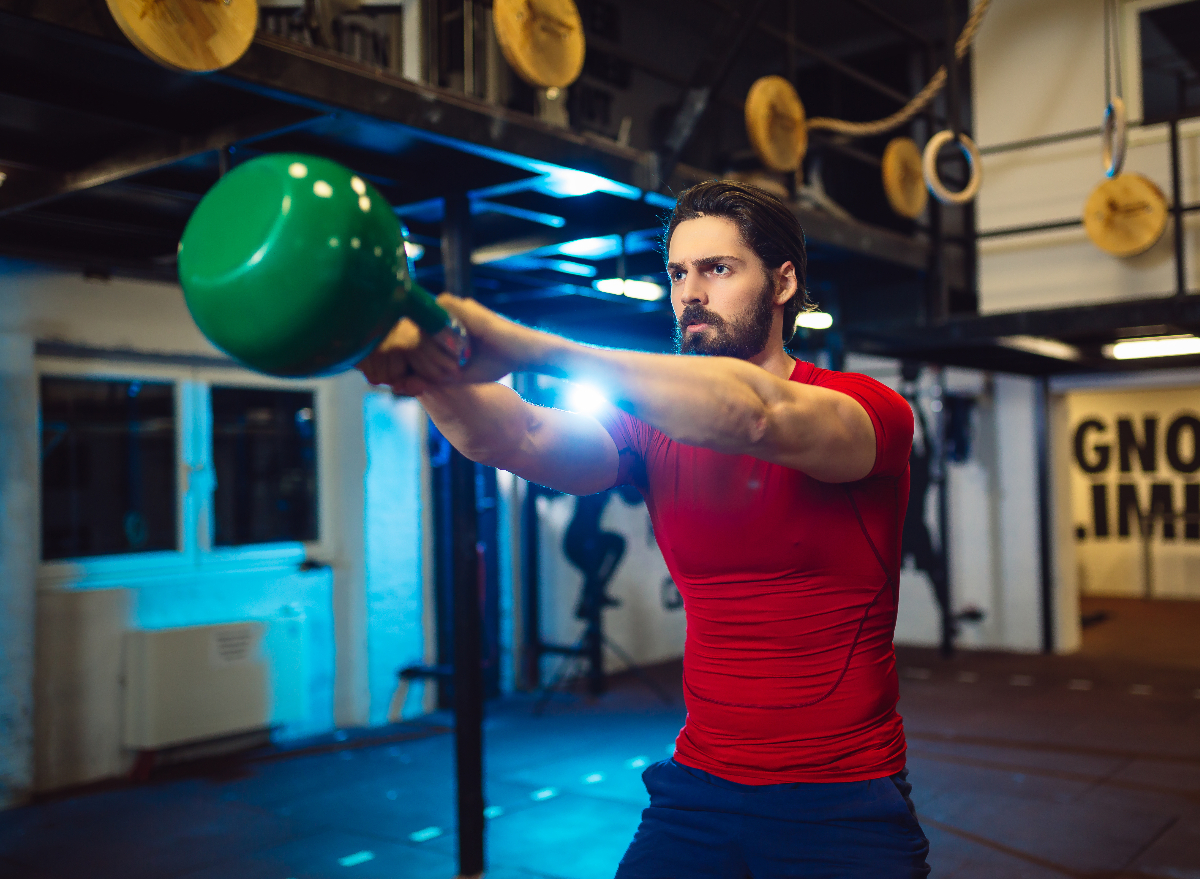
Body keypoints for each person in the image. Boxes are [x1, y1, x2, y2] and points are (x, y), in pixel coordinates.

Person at [358, 180, 929, 878]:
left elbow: (758, 416)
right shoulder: (650, 427)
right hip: (700, 789)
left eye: (718, 269)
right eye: (678, 273)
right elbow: (519, 433)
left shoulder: (867, 409)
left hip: (842, 800)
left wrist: (530, 348)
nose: (691, 292)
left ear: (783, 282)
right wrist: (431, 373)